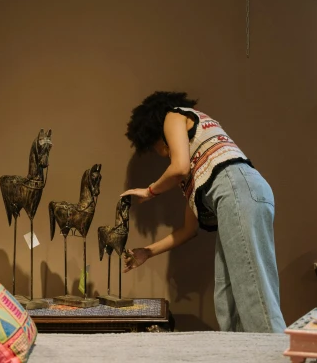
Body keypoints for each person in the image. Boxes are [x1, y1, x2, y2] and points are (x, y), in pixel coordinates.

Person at [121, 91, 286, 333]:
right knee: (227, 296)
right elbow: (189, 230)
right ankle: (242, 361)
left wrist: (150, 191)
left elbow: (178, 167)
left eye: (155, 147)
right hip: (239, 193)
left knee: (253, 291)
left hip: (238, 190)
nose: (160, 152)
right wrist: (147, 252)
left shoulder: (173, 116)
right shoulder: (198, 166)